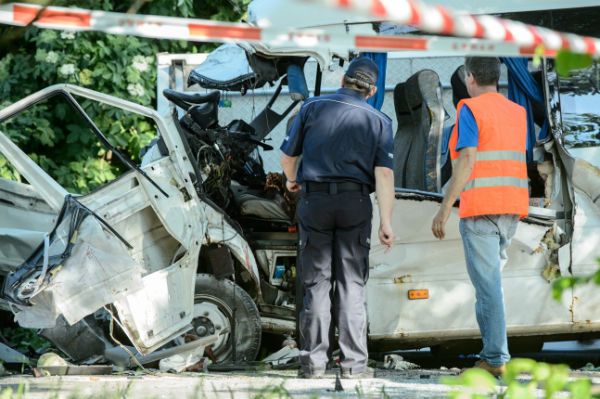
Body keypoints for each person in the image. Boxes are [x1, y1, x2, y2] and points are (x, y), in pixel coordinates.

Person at [280, 57, 395, 379]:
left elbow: (289, 157)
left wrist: (291, 180)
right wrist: (386, 222)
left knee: (316, 284)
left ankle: (313, 365)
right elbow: (384, 174)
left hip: (314, 200)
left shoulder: (312, 108)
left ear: (343, 79)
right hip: (355, 203)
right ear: (372, 90)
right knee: (351, 285)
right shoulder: (379, 119)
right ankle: (354, 366)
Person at [431, 57, 529, 377]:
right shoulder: (517, 112)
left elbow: (469, 157)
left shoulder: (469, 109)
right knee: (490, 285)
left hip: (481, 210)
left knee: (487, 287)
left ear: (470, 77)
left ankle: (496, 357)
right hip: (511, 208)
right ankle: (491, 351)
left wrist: (445, 207)